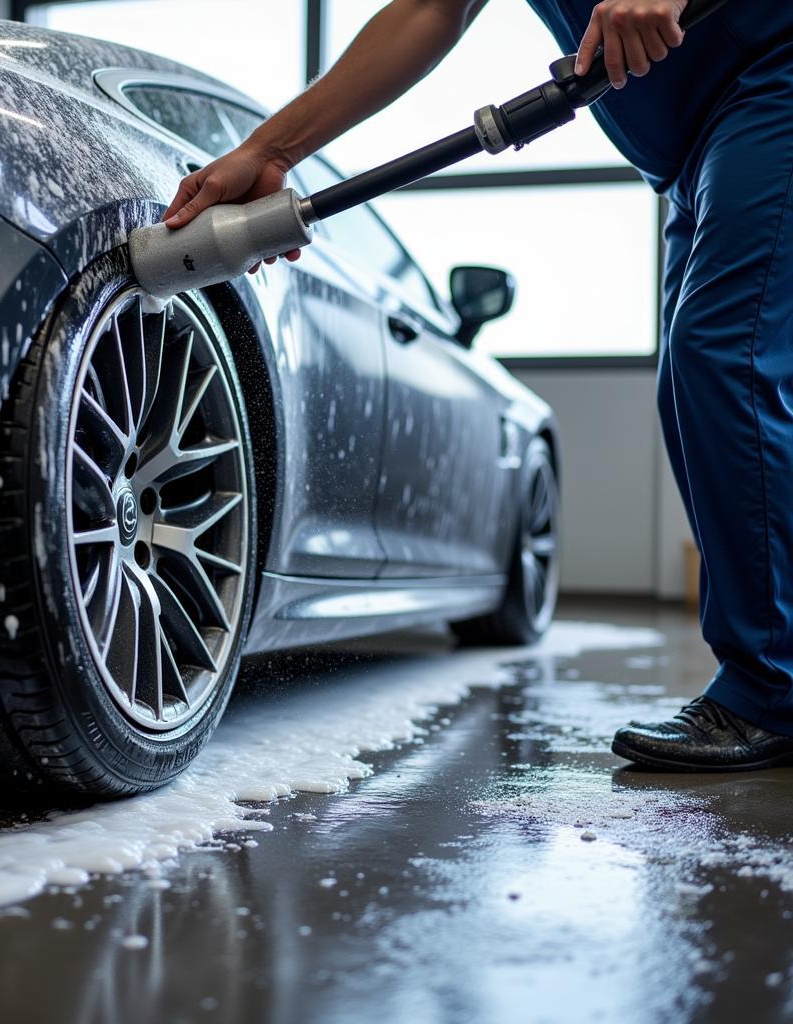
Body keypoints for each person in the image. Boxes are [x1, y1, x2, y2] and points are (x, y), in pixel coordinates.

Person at [162, 0, 793, 772]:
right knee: (696, 384)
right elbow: (432, 9)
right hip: (687, 152)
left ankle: (772, 691)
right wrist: (271, 151)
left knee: (723, 353)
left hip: (772, 77)